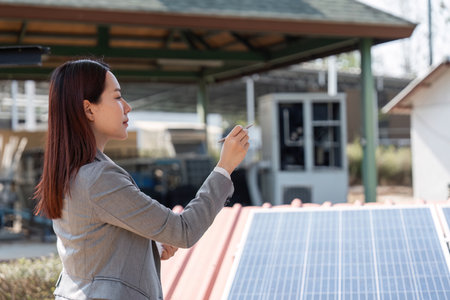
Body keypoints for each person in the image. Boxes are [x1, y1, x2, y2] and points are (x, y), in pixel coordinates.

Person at [33, 59, 250, 300]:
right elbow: (184, 231)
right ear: (89, 109)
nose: (127, 107)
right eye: (117, 97)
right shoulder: (99, 178)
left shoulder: (72, 172)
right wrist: (225, 167)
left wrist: (151, 247)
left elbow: (94, 248)